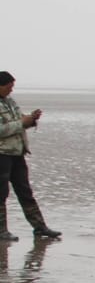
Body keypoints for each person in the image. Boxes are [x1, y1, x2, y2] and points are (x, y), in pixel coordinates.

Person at [0, 71, 60, 241]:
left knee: (25, 191)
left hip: (17, 153)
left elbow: (19, 123)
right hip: (2, 154)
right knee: (1, 193)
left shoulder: (10, 102)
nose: (11, 91)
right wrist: (21, 123)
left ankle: (40, 227)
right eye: (8, 87)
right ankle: (1, 230)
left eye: (12, 87)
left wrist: (31, 120)